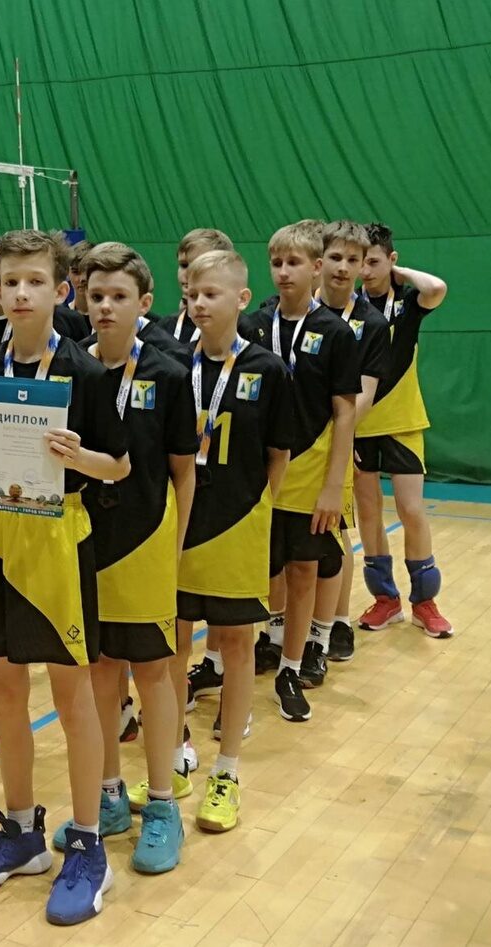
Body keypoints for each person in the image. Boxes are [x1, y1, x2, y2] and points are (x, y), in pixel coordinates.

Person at [0, 229, 129, 925]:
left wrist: (80, 457)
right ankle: (21, 832)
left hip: (56, 544)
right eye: (9, 280)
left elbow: (119, 466)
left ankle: (88, 844)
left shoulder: (86, 372)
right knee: (5, 687)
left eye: (35, 281)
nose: (20, 292)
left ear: (59, 289)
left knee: (73, 696)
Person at [59, 242, 196, 875]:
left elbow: (182, 471)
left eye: (119, 296)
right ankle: (109, 795)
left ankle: (162, 804)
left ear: (145, 302)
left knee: (153, 671)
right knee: (97, 670)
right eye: (96, 296)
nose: (106, 307)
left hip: (147, 538)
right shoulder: (70, 369)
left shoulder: (168, 374)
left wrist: (176, 546)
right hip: (85, 539)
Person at [175, 249, 292, 832]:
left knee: (239, 645)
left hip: (239, 523)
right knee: (171, 643)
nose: (199, 303)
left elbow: (278, 453)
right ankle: (172, 751)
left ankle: (227, 772)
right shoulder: (174, 364)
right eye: (193, 294)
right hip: (178, 524)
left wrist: (255, 509)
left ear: (242, 299)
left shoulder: (267, 369)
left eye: (211, 294)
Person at [240, 223, 359, 723]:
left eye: (294, 263)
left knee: (304, 568)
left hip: (312, 470)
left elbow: (345, 412)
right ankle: (266, 642)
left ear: (316, 267)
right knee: (265, 568)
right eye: (277, 263)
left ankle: (292, 667)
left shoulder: (335, 332)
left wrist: (333, 486)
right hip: (264, 468)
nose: (284, 272)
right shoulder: (253, 324)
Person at [354, 223, 452, 638]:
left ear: (390, 260)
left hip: (404, 423)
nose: (365, 270)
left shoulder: (409, 303)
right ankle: (385, 600)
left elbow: (438, 288)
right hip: (359, 425)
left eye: (374, 261)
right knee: (369, 512)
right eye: (361, 262)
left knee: (411, 510)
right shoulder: (350, 308)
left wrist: (401, 273)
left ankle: (425, 603)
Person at [305, 221, 389, 675]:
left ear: (362, 267)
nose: (342, 267)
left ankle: (336, 622)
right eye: (335, 257)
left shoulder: (371, 324)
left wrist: (333, 440)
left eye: (352, 260)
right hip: (294, 447)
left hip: (333, 444)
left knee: (335, 533)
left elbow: (364, 396)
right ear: (320, 261)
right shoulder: (293, 310)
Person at [155, 229, 234, 347]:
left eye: (199, 265)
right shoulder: (164, 328)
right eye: (184, 265)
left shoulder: (240, 329)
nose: (188, 273)